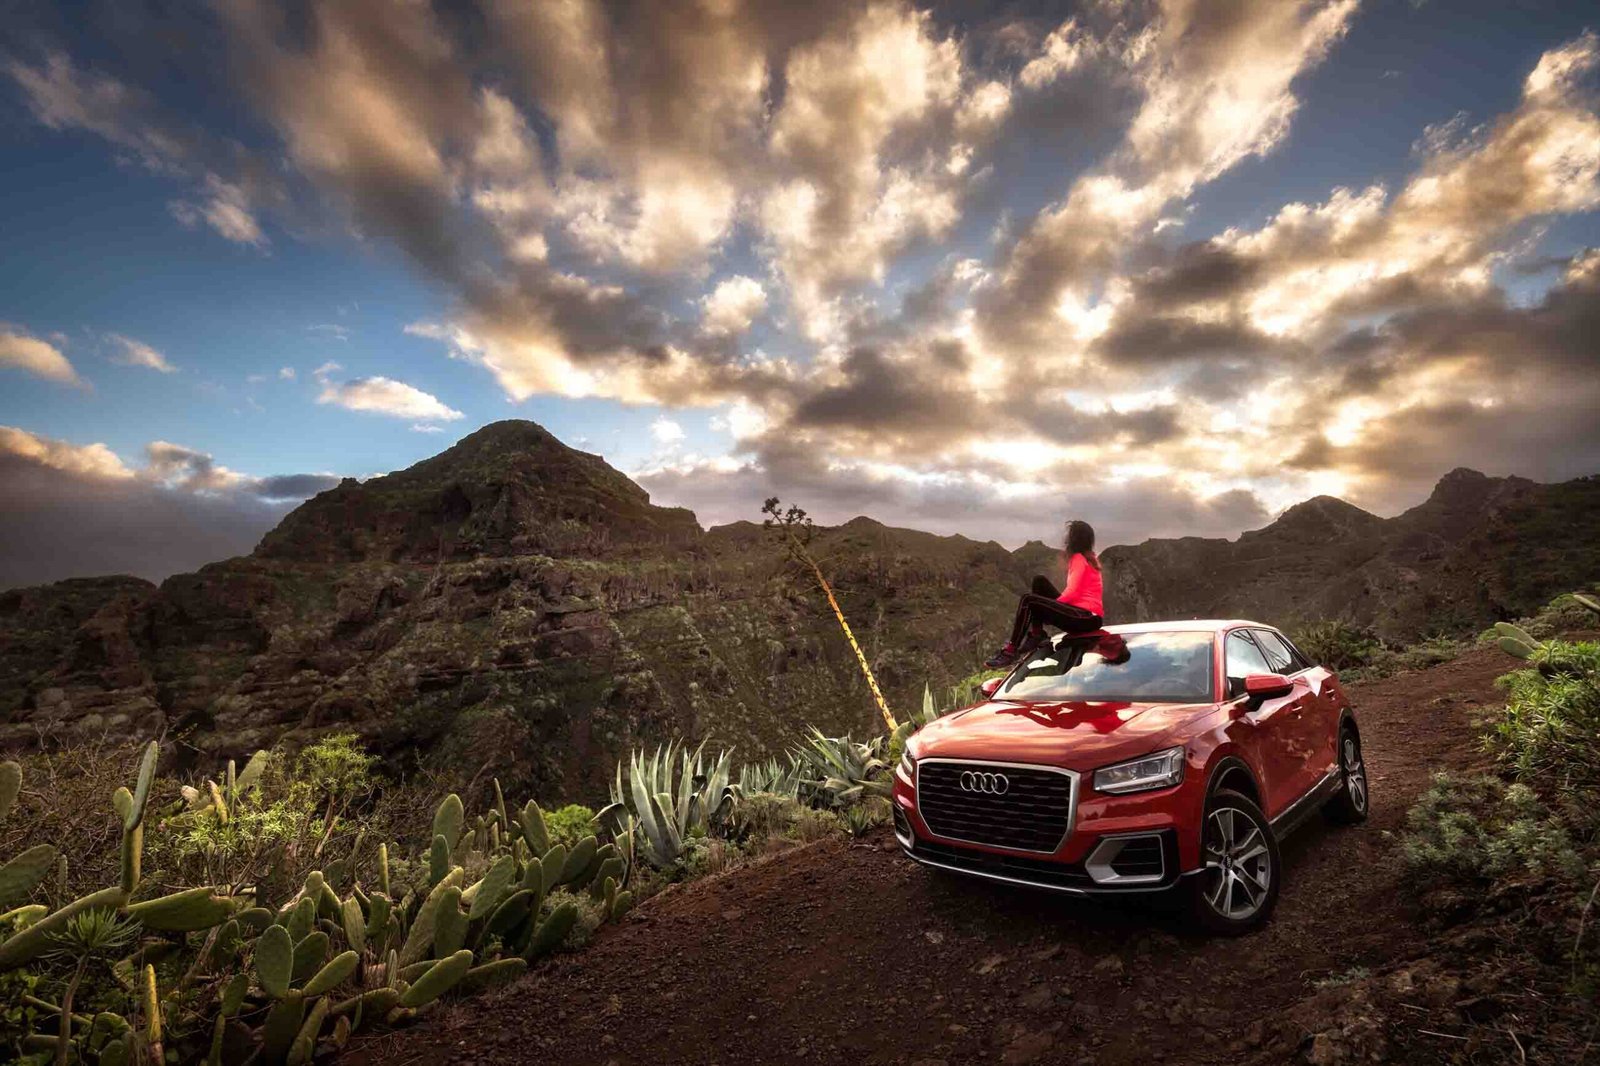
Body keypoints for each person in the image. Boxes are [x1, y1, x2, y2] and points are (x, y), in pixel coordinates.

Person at [985, 519, 1104, 668]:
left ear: (1073, 540)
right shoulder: (1090, 559)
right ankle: (1037, 634)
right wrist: (1050, 609)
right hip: (1089, 618)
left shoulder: (1078, 559)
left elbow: (1072, 592)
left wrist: (1051, 608)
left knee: (1029, 600)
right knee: (1039, 582)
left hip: (1085, 617)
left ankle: (1010, 651)